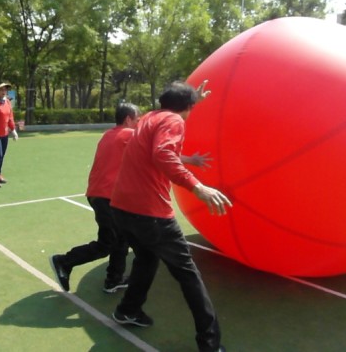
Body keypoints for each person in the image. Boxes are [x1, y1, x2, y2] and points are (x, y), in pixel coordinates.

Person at [109, 81, 232, 352]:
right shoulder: (174, 120)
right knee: (188, 274)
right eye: (191, 106)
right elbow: (163, 153)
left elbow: (163, 134)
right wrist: (197, 187)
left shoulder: (149, 117)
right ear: (187, 107)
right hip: (150, 213)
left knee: (146, 258)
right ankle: (210, 343)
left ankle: (128, 310)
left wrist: (193, 99)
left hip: (121, 208)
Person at [49, 103, 140, 294]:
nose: (139, 123)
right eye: (137, 119)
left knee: (121, 238)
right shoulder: (128, 135)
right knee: (108, 243)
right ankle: (64, 261)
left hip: (101, 194)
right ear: (128, 119)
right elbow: (156, 147)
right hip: (106, 196)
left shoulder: (109, 134)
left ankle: (114, 279)